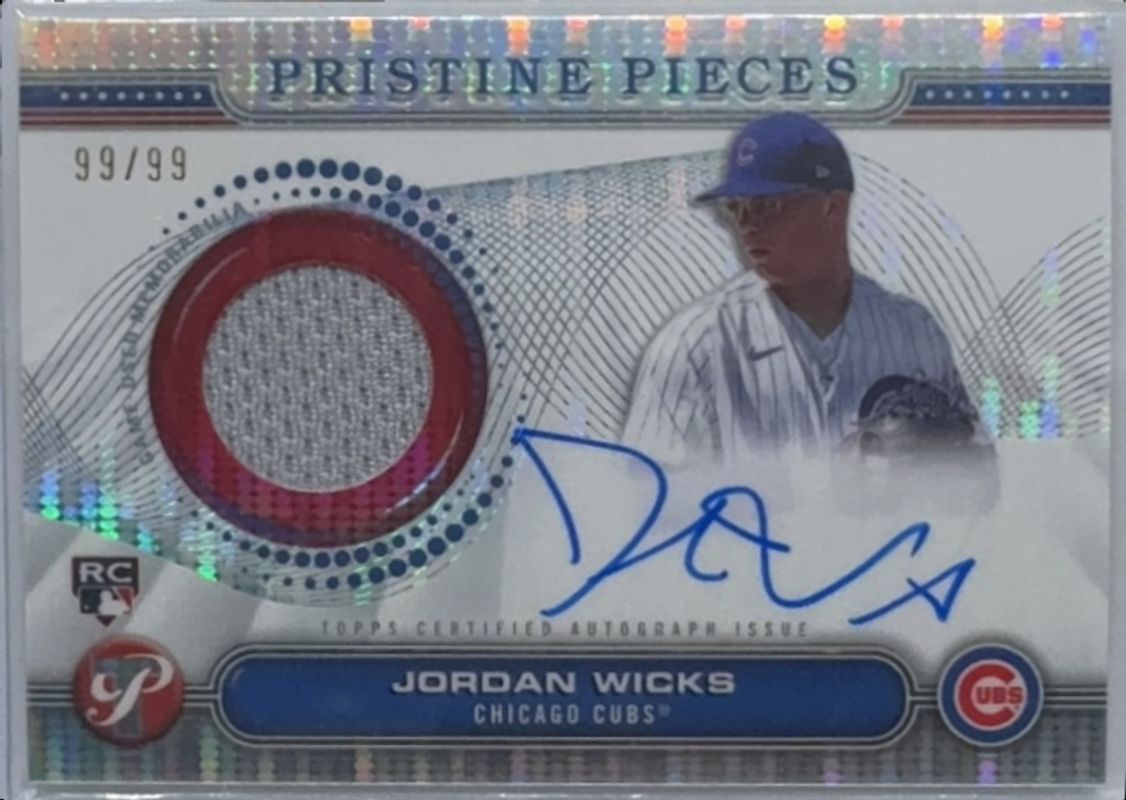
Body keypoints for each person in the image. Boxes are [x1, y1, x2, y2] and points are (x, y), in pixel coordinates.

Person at [622, 112, 987, 466]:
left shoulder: (915, 332)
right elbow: (645, 497)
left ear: (832, 206)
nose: (747, 225)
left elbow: (980, 480)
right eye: (736, 207)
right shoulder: (693, 347)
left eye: (767, 206)